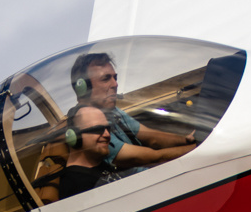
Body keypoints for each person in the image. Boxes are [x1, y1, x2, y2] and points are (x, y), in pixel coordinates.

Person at [69, 52, 200, 171]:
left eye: (115, 77)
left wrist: (186, 140)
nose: (115, 84)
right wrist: (199, 149)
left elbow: (151, 137)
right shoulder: (87, 125)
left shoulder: (112, 111)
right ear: (83, 88)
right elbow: (152, 157)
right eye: (106, 79)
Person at [57, 106, 114, 199]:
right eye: (97, 129)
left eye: (108, 128)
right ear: (74, 136)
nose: (107, 134)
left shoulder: (99, 164)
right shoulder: (77, 187)